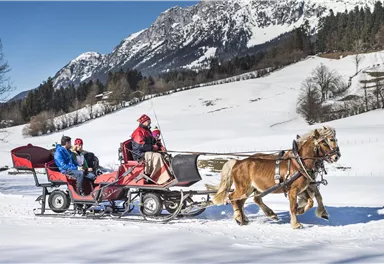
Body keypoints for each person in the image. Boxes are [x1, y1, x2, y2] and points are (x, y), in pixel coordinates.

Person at [131, 114, 172, 184]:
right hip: (140, 154)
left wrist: (160, 147)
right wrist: (153, 147)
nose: (150, 122)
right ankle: (159, 178)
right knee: (158, 157)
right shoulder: (138, 132)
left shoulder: (147, 131)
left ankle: (169, 174)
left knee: (164, 155)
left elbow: (154, 141)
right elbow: (140, 146)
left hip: (148, 151)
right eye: (148, 121)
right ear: (143, 122)